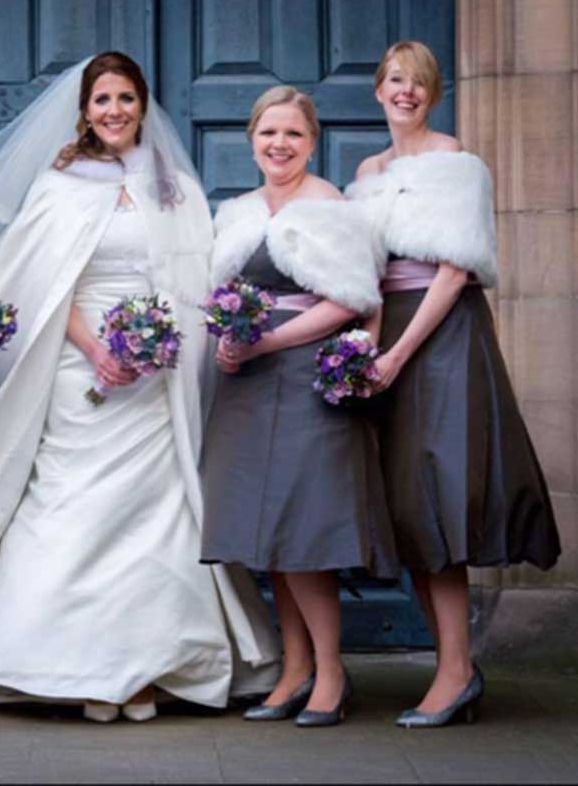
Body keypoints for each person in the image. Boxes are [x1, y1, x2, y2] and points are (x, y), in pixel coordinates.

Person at [0, 51, 281, 723]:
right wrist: (98, 347)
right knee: (69, 507)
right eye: (101, 100)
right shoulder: (60, 184)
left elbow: (187, 277)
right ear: (84, 110)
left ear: (142, 103)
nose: (113, 111)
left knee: (154, 516)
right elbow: (37, 281)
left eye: (124, 98)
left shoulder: (170, 183)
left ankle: (145, 670)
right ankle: (76, 670)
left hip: (152, 377)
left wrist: (152, 345)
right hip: (76, 364)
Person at [347, 40, 560, 727]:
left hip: (442, 338)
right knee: (407, 502)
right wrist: (366, 350)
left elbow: (453, 271)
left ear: (432, 94)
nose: (406, 92)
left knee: (440, 495)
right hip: (390, 343)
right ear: (377, 90)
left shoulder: (456, 164)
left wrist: (400, 353)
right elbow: (368, 274)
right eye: (395, 80)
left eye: (419, 83)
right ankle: (454, 668)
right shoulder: (366, 172)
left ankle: (453, 671)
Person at [200, 85, 398, 728]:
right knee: (270, 536)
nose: (279, 145)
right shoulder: (236, 212)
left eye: (292, 134)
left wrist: (268, 342)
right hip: (248, 388)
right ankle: (292, 670)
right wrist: (230, 346)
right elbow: (224, 300)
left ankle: (332, 674)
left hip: (306, 381)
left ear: (312, 143)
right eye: (268, 133)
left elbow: (351, 300)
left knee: (305, 535)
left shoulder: (330, 206)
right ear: (251, 140)